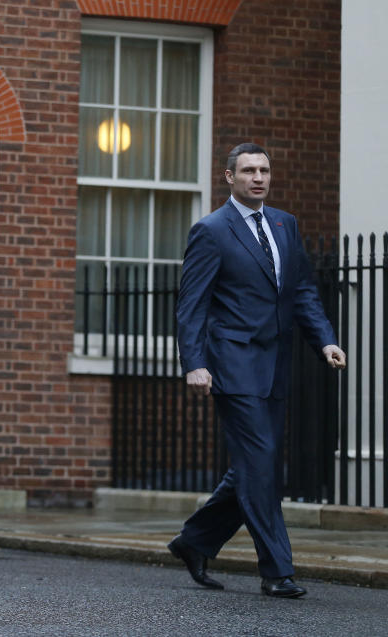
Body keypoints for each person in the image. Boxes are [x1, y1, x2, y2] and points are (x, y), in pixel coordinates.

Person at [169, 142, 347, 598]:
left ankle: (195, 541)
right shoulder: (211, 230)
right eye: (248, 170)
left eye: (264, 170)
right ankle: (277, 571)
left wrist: (324, 339)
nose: (258, 178)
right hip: (232, 365)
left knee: (256, 463)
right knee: (262, 465)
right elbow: (192, 305)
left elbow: (302, 290)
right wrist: (195, 363)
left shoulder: (285, 224)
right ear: (230, 177)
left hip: (275, 366)